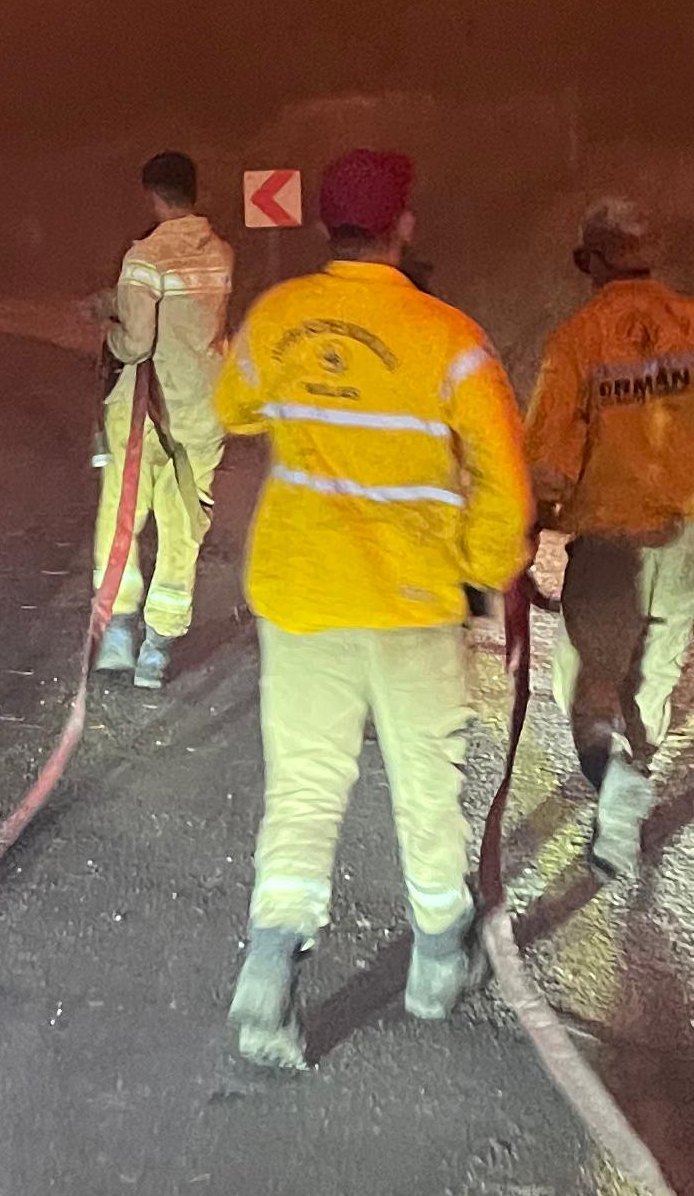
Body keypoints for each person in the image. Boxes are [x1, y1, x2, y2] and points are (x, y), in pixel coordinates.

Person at [210, 148, 533, 1069]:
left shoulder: (279, 318)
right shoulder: (452, 340)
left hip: (303, 600)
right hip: (413, 606)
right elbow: (507, 489)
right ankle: (437, 962)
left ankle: (270, 971)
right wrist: (481, 570)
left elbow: (234, 408)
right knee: (429, 782)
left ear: (324, 225)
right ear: (405, 226)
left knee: (304, 787)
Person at [524, 198, 694, 887]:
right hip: (687, 543)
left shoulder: (576, 340)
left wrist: (525, 532)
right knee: (654, 683)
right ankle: (625, 813)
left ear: (591, 262)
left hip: (610, 548)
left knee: (589, 688)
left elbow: (548, 461)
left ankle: (615, 790)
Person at [91, 150, 233, 688]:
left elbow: (137, 341)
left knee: (123, 513)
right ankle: (158, 650)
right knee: (183, 527)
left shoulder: (145, 256)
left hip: (143, 414)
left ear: (152, 195)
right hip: (199, 413)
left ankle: (120, 632)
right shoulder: (221, 254)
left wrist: (108, 330)